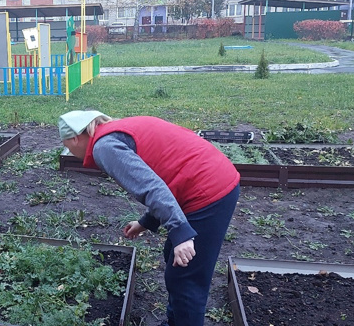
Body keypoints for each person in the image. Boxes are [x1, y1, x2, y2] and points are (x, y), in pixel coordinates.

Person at [58, 110, 240, 326]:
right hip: (205, 179)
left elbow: (151, 187)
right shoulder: (115, 132)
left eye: (66, 145)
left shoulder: (104, 147)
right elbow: (164, 171)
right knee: (174, 260)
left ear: (75, 138)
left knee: (185, 279)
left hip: (208, 191)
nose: (68, 151)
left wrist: (181, 233)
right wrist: (146, 222)